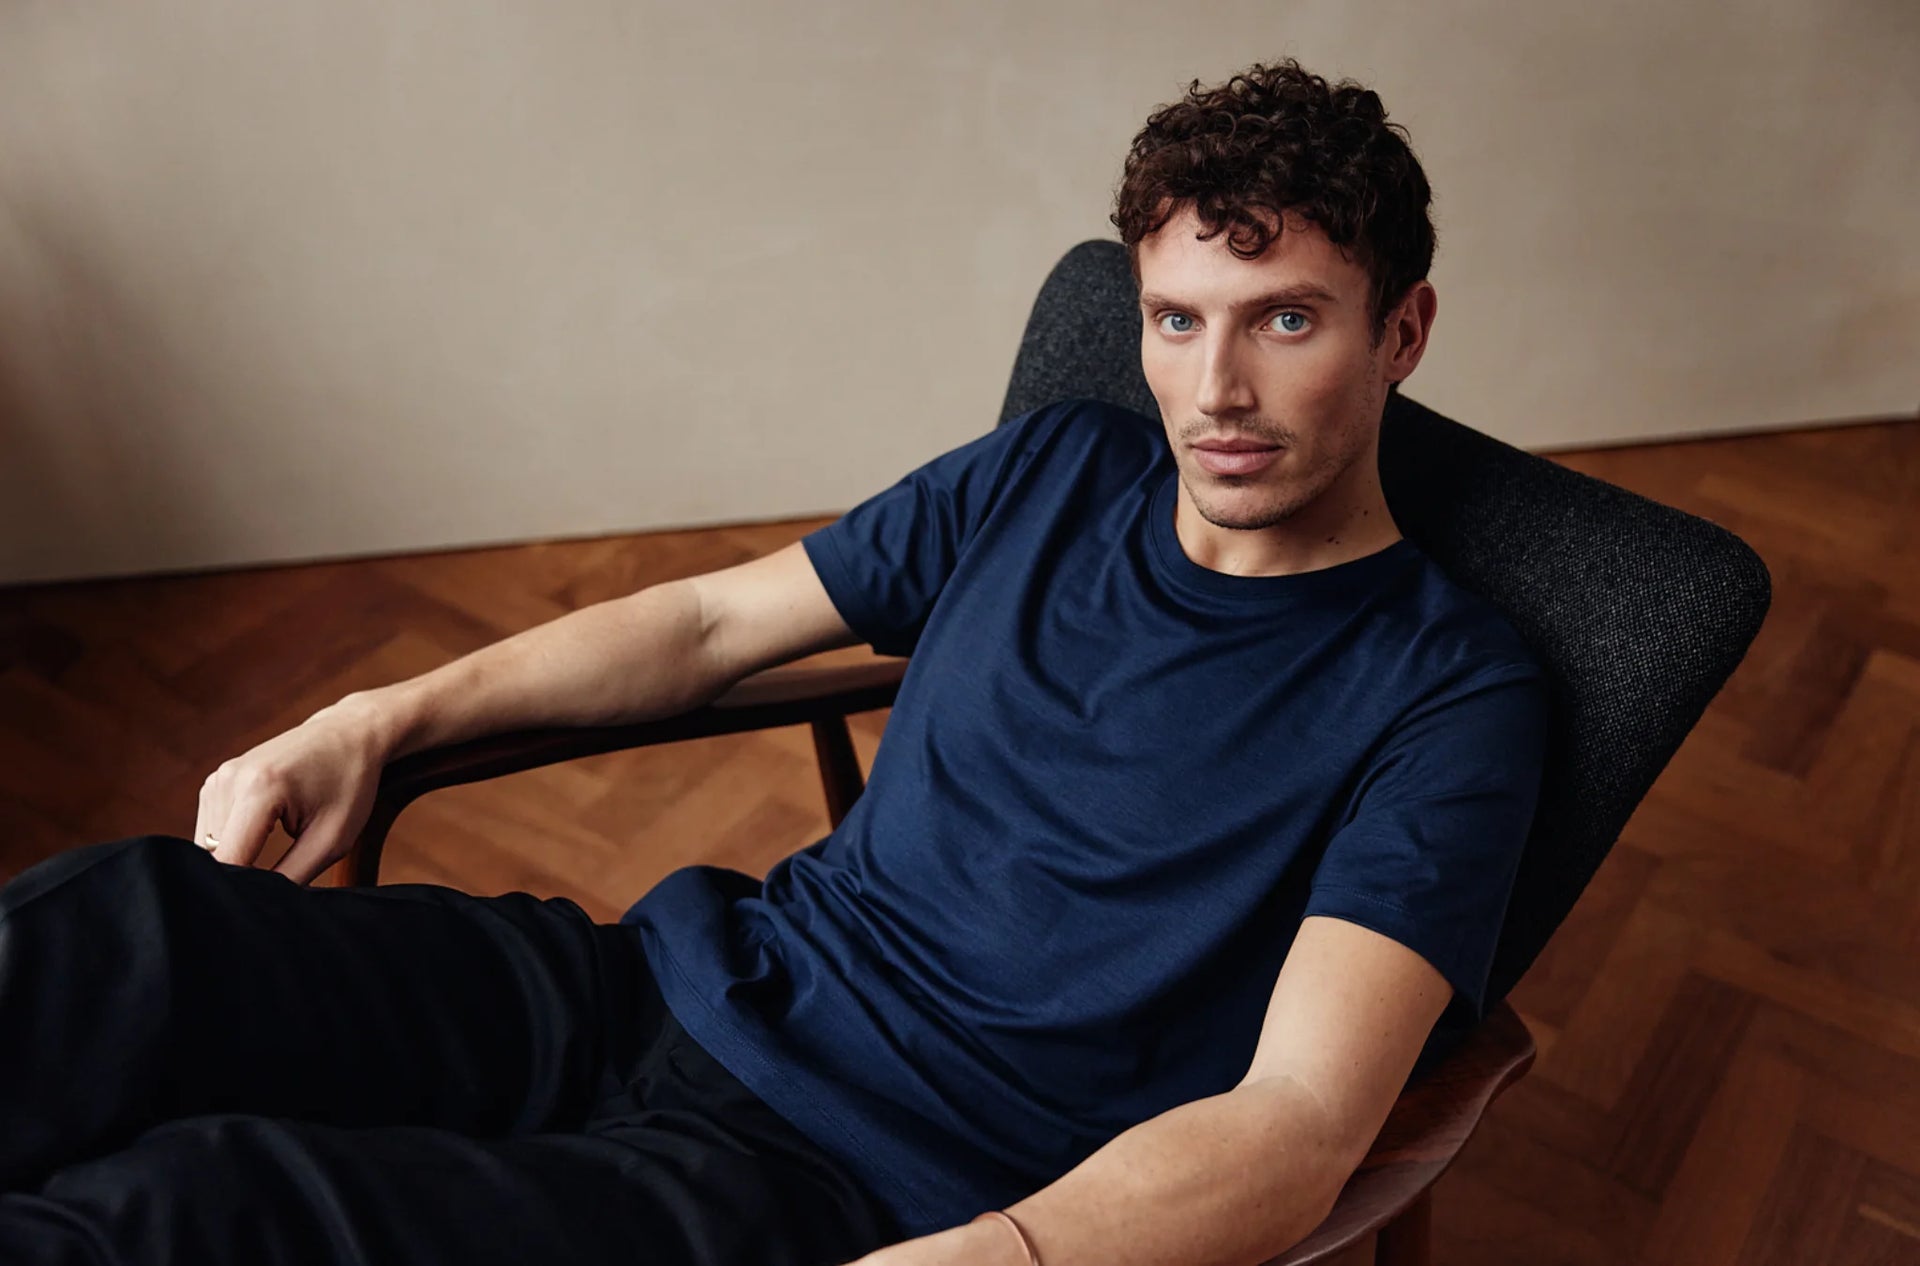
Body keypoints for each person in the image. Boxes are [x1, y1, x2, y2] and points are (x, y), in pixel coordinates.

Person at [0, 57, 1549, 1266]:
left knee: (196, 1213)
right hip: (671, 983)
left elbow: (1301, 1119)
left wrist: (1006, 1252)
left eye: (1285, 320)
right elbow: (707, 627)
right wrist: (376, 716)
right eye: (1176, 319)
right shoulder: (1060, 468)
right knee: (126, 938)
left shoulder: (1451, 694)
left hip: (849, 1176)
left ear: (1401, 331)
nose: (1213, 390)